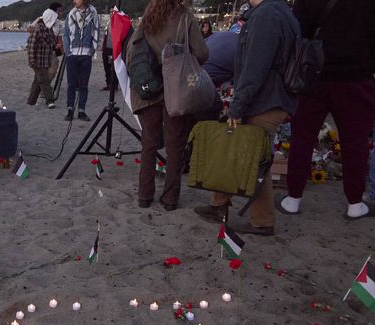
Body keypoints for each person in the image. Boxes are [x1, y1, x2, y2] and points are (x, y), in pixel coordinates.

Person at [194, 0, 298, 235]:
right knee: (241, 151)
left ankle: (262, 222)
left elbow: (254, 67)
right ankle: (218, 205)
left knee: (255, 160)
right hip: (272, 97)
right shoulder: (278, 12)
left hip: (266, 100)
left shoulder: (265, 17)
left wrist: (238, 107)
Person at [277, 0, 375, 220]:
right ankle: (355, 203)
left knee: (302, 137)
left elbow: (299, 30)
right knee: (355, 142)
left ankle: (293, 199)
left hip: (315, 72)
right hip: (357, 77)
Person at [128, 0, 208, 211]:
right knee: (175, 148)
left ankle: (144, 196)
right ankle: (170, 199)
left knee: (149, 144)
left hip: (148, 88)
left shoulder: (149, 17)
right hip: (175, 89)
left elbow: (132, 48)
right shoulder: (185, 18)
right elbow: (201, 53)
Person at [62, 0, 99, 122]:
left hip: (86, 54)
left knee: (84, 85)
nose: (74, 1)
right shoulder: (71, 14)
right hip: (72, 54)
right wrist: (68, 51)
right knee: (71, 85)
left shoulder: (93, 13)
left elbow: (96, 31)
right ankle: (70, 110)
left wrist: (92, 50)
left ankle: (81, 111)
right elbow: (66, 34)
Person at [27, 10, 57, 108]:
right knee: (44, 81)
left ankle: (31, 101)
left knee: (37, 81)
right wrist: (32, 61)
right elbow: (31, 46)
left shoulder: (49, 29)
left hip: (45, 60)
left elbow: (53, 43)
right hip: (37, 61)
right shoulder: (38, 29)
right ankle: (50, 100)